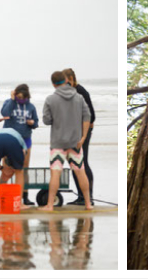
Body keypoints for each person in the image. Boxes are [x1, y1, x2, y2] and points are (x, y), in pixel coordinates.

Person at [40, 71, 92, 211]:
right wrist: (83, 137)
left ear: (53, 84)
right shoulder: (79, 97)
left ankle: (50, 205)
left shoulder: (50, 99)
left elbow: (46, 120)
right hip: (75, 143)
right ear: (66, 81)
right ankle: (88, 203)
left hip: (58, 144)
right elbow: (87, 117)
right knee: (81, 172)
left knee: (55, 173)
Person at [0, 84, 39, 205]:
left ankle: (24, 196)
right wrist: (12, 100)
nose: (21, 100)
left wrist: (32, 123)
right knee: (7, 167)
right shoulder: (9, 103)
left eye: (23, 98)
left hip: (25, 139)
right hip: (9, 138)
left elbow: (36, 122)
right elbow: (4, 114)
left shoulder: (31, 106)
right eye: (19, 97)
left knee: (23, 168)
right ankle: (1, 195)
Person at [62, 68, 95, 206]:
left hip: (82, 133)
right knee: (74, 164)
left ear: (69, 78)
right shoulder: (68, 92)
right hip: (72, 133)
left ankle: (88, 196)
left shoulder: (80, 91)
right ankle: (81, 196)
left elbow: (91, 115)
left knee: (82, 163)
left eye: (63, 80)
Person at [0, 127, 30, 210]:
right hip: (12, 141)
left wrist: (1, 167)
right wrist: (16, 167)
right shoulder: (19, 136)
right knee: (20, 172)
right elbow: (24, 152)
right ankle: (20, 204)